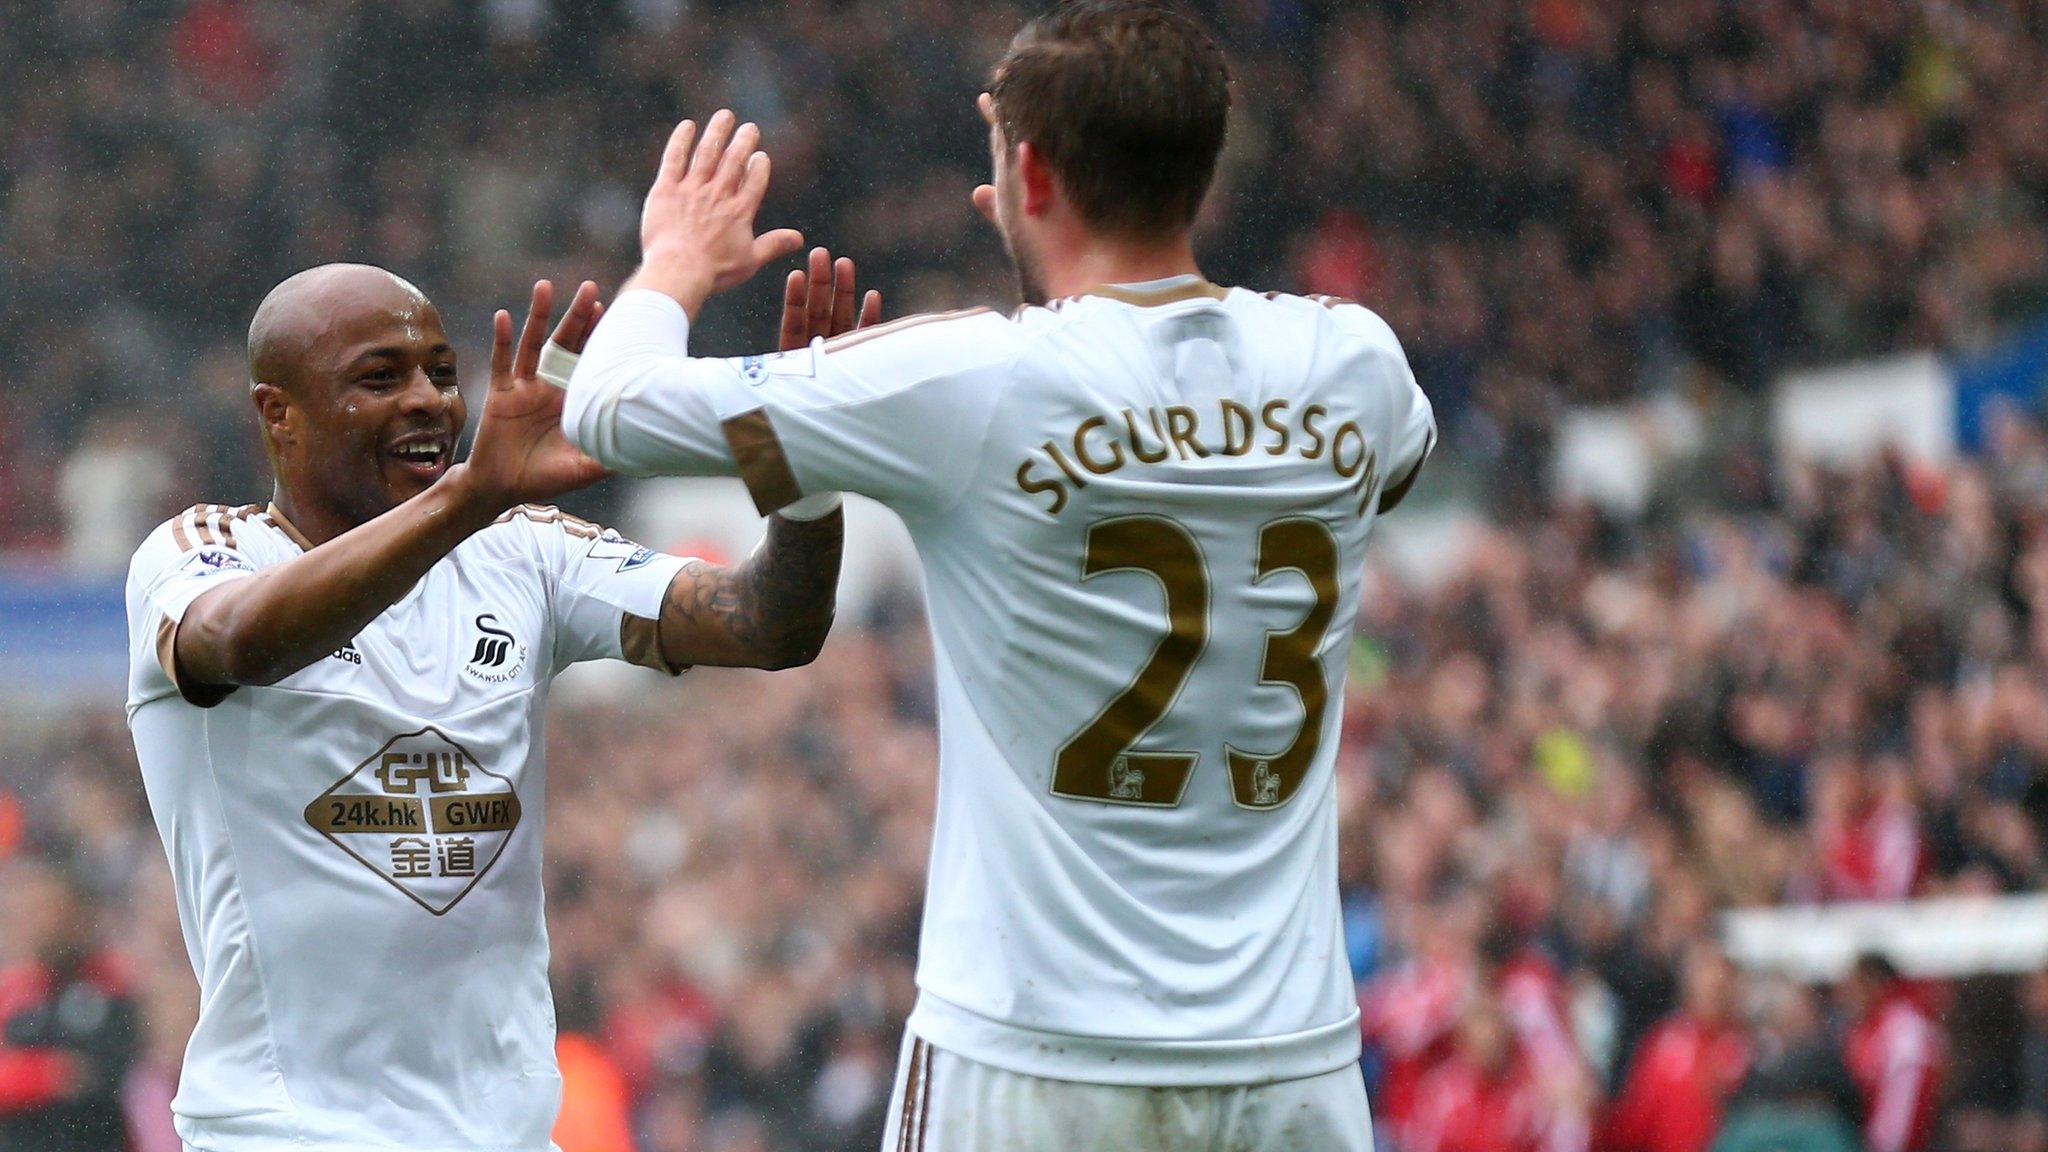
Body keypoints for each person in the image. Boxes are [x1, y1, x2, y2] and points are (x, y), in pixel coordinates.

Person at [560, 1, 1434, 1145]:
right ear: (1200, 171)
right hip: (1291, 1061)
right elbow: (1369, 470)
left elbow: (609, 405)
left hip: (1032, 1058)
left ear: (1025, 175)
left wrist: (675, 261)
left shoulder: (971, 380)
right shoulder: (1353, 361)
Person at [123, 257, 871, 1151]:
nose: (429, 400)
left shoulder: (523, 553)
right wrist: (471, 494)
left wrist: (802, 463)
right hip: (289, 1132)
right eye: (380, 377)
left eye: (442, 371)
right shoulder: (205, 550)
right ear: (277, 412)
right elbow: (239, 641)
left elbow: (768, 624)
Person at [0, 859, 140, 1152]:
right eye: (29, 912)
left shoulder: (115, 985)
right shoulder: (13, 991)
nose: (37, 923)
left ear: (79, 915)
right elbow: (72, 1073)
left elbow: (112, 1078)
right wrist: (45, 1075)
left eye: (48, 910)